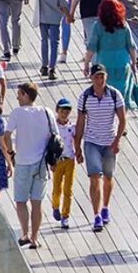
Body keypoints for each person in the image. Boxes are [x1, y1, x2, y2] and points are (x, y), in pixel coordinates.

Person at [74, 63, 128, 233]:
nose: (99, 80)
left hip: (109, 141)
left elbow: (122, 119)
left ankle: (106, 206)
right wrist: (77, 147)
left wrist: (117, 140)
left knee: (109, 175)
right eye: (96, 76)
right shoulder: (85, 97)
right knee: (94, 176)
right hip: (92, 142)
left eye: (102, 76)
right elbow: (80, 123)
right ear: (91, 78)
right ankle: (96, 214)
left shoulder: (114, 95)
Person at [6, 82, 54, 248]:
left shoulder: (17, 113)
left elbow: (7, 136)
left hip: (23, 162)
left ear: (26, 95)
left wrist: (11, 154)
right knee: (37, 203)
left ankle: (24, 233)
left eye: (19, 94)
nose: (17, 97)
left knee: (20, 201)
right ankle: (35, 237)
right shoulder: (47, 112)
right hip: (41, 164)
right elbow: (54, 136)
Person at [86, 0, 138, 109]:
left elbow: (91, 48)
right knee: (123, 94)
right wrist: (134, 63)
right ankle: (123, 119)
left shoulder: (98, 26)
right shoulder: (123, 25)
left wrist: (86, 64)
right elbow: (131, 46)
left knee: (106, 93)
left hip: (104, 64)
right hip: (123, 63)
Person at [36, 0, 70, 80]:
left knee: (44, 41)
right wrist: (68, 15)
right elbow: (63, 3)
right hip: (55, 18)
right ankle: (52, 68)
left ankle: (44, 66)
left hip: (42, 17)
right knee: (54, 43)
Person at [51, 96, 79, 229]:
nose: (64, 114)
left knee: (68, 189)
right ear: (57, 111)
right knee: (57, 188)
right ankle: (55, 206)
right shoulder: (53, 127)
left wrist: (78, 153)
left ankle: (65, 215)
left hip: (69, 160)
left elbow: (77, 141)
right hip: (58, 161)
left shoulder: (72, 127)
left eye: (67, 111)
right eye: (62, 111)